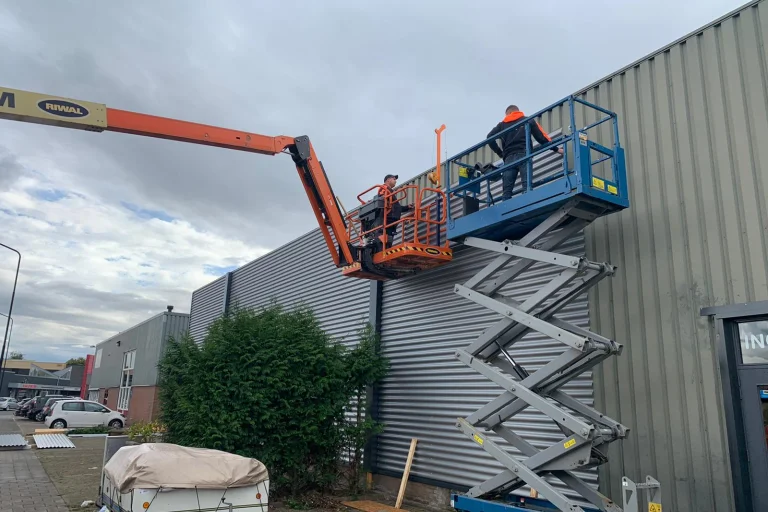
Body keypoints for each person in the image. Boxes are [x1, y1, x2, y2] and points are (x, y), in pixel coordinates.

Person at [486, 105, 563, 200]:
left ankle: (506, 206)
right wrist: (556, 149)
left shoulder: (501, 125)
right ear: (517, 111)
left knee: (506, 192)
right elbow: (541, 137)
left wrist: (500, 153)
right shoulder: (527, 120)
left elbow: (489, 138)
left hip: (509, 159)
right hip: (524, 154)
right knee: (527, 186)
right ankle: (528, 201)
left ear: (509, 113)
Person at [378, 174, 414, 248]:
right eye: (394, 179)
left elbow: (396, 207)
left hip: (392, 220)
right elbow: (382, 199)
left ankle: (386, 248)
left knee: (389, 241)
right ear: (388, 180)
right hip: (388, 219)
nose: (395, 181)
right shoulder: (384, 188)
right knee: (385, 241)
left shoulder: (390, 191)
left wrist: (407, 207)